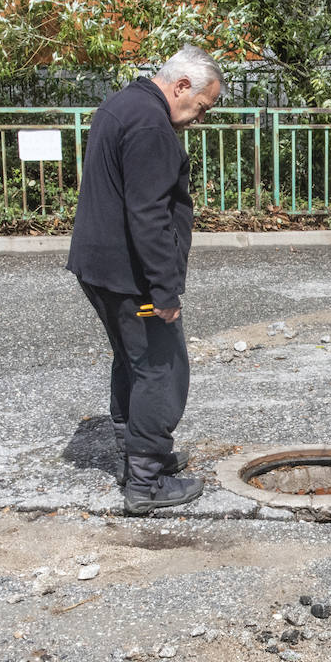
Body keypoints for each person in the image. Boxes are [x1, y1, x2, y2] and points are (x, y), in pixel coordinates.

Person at [67, 45, 223, 515]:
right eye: (201, 107)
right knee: (162, 367)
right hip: (131, 276)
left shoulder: (121, 104)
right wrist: (164, 290)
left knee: (133, 361)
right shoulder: (152, 126)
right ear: (180, 87)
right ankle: (146, 481)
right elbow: (149, 215)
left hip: (100, 266)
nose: (198, 118)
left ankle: (134, 453)